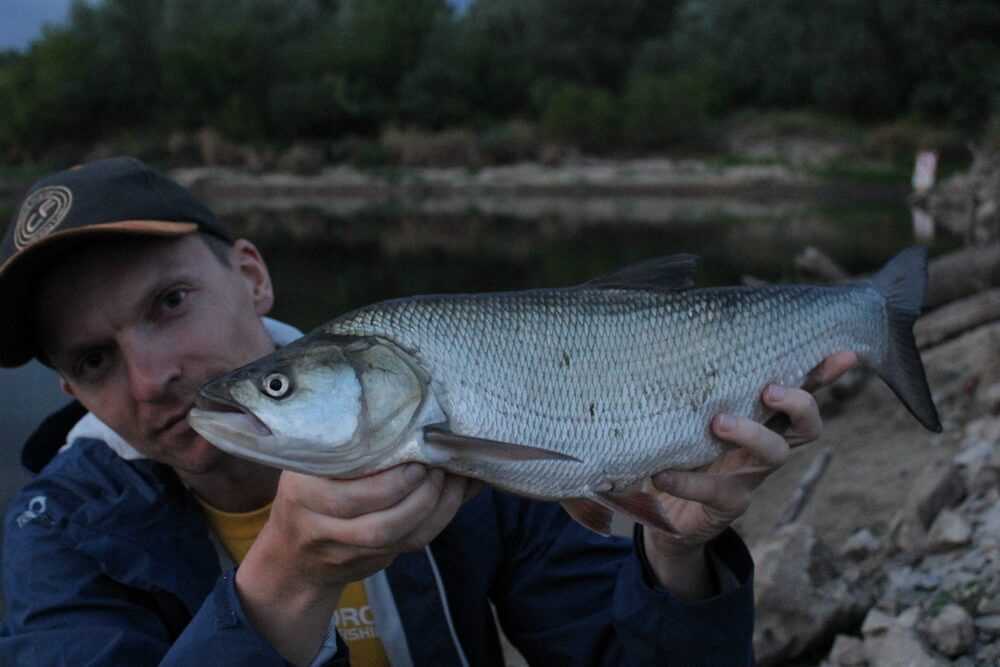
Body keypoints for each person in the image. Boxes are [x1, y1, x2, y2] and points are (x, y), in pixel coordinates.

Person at [0, 157, 856, 666]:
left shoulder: (458, 415)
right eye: (94, 359)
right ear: (71, 392)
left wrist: (676, 552)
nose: (153, 378)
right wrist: (287, 581)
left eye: (170, 302)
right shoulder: (58, 537)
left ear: (252, 276)